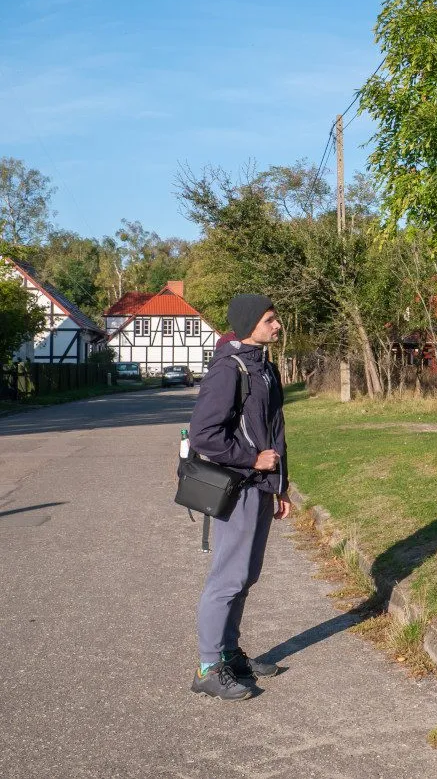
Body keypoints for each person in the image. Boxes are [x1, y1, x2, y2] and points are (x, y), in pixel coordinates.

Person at [187, 294, 291, 700]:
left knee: (245, 576)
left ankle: (229, 653)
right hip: (237, 487)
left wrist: (280, 486)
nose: (277, 325)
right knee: (227, 579)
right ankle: (208, 667)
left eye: (275, 317)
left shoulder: (264, 367)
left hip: (262, 486)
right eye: (269, 319)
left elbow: (275, 430)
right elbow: (204, 435)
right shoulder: (228, 370)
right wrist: (252, 460)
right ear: (250, 323)